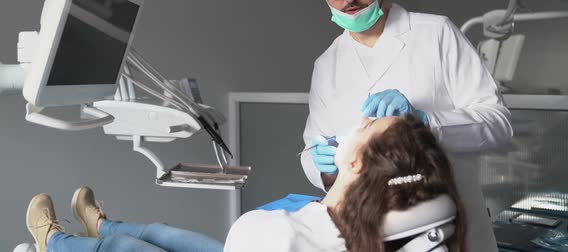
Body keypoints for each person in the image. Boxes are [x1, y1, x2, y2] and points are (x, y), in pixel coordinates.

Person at [302, 0, 513, 251]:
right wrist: (323, 164)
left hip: (455, 232)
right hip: (368, 236)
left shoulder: (436, 34)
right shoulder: (326, 65)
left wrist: (427, 122)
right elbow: (311, 152)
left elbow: (500, 125)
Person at [25, 116, 466, 252]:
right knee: (166, 234)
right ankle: (101, 223)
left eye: (368, 122)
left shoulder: (277, 234)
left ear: (354, 160)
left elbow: (258, 233)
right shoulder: (382, 228)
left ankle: (53, 241)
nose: (360, 119)